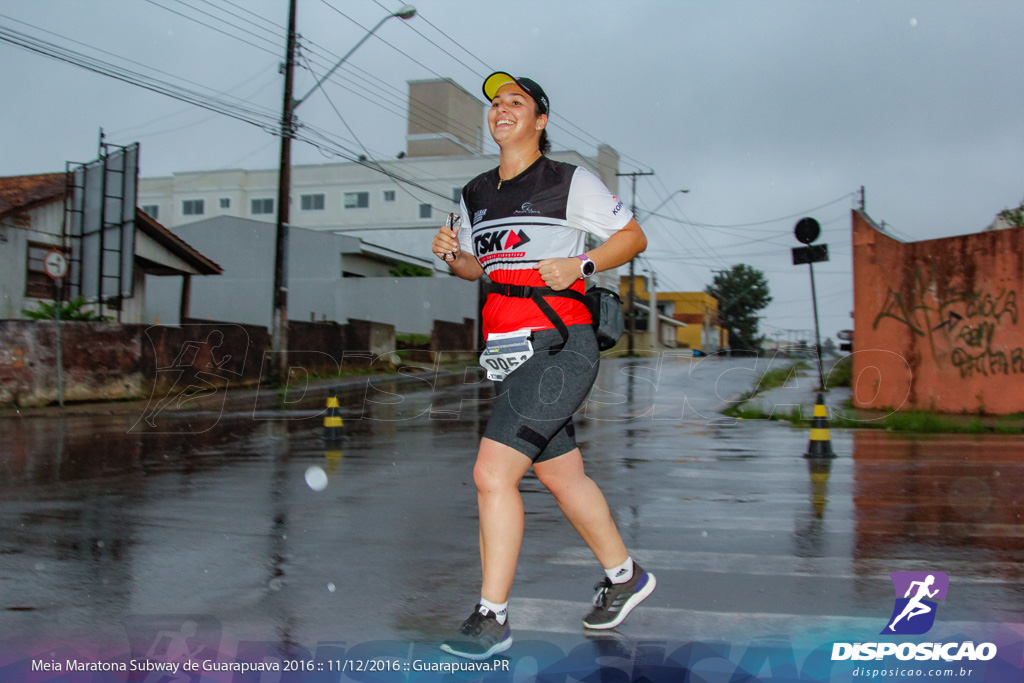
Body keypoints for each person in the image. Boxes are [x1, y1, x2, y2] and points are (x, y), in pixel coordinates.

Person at [431, 71, 655, 661]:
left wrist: (582, 265)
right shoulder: (475, 193)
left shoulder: (567, 182)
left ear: (540, 121)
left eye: (516, 103)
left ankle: (492, 617)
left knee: (492, 475)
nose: (501, 110)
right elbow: (479, 270)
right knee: (561, 476)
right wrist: (453, 255)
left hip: (560, 345)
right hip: (509, 353)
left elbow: (632, 238)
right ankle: (625, 576)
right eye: (496, 104)